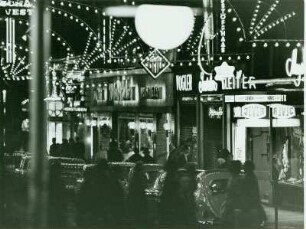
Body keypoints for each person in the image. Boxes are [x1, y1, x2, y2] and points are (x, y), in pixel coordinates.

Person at [241, 161, 266, 228]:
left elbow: (248, 192)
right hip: (253, 203)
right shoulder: (252, 176)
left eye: (245, 166)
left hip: (249, 205)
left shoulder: (247, 178)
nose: (243, 167)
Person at [221, 160, 244, 228]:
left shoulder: (235, 179)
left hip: (233, 205)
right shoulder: (237, 178)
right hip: (232, 204)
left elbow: (236, 192)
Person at [127, 162, 148, 227]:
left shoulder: (133, 176)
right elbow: (144, 185)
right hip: (139, 196)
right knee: (139, 212)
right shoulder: (140, 176)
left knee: (136, 212)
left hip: (135, 196)